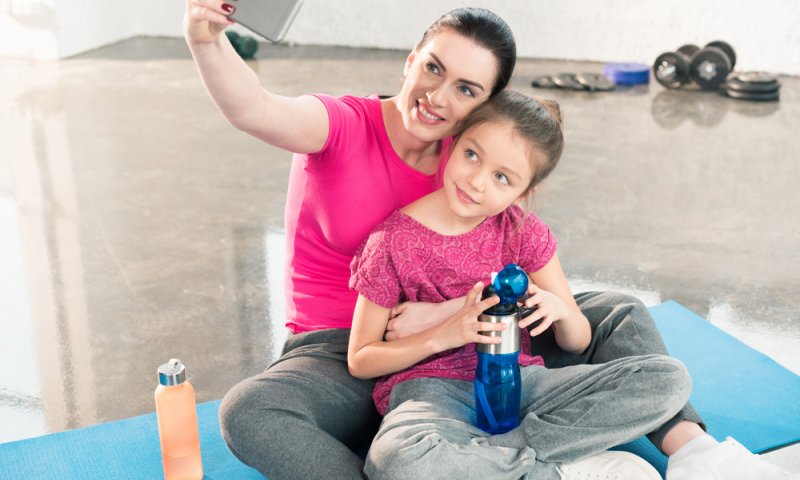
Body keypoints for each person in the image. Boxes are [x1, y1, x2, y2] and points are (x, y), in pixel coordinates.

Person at [183, 2, 795, 479]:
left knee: (616, 313)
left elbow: (522, 230)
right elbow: (254, 108)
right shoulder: (343, 124)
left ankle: (691, 450)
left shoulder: (470, 155)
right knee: (249, 414)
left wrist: (463, 313)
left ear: (485, 104)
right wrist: (205, 38)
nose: (439, 97)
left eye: (467, 90)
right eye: (433, 68)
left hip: (483, 342)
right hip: (346, 352)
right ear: (411, 57)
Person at [347, 91, 692, 480]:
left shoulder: (522, 231)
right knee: (395, 462)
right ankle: (560, 468)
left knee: (668, 380)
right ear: (454, 142)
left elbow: (577, 342)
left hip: (524, 385)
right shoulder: (391, 241)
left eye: (502, 177)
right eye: (472, 155)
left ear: (523, 192)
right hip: (432, 394)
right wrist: (443, 333)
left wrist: (562, 312)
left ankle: (499, 461)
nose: (476, 182)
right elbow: (360, 359)